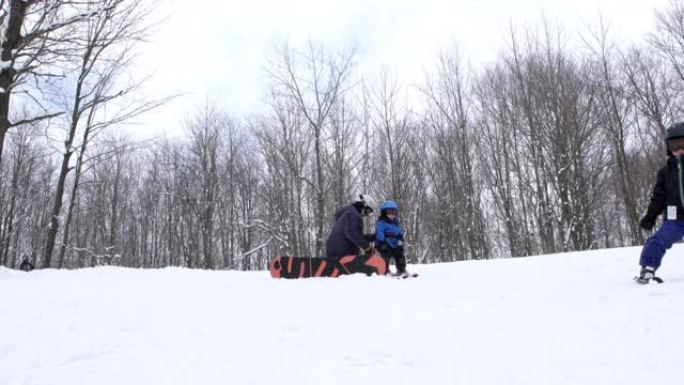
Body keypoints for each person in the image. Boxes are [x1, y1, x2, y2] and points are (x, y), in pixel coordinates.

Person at [637, 122, 684, 283]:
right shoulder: (665, 173)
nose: (679, 150)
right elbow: (658, 198)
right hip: (676, 219)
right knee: (658, 240)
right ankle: (648, 268)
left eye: (682, 144)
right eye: (674, 145)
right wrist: (650, 217)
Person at [325, 194, 376, 258]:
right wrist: (367, 247)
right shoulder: (353, 214)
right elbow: (352, 234)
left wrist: (373, 237)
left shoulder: (347, 213)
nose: (366, 214)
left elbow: (357, 236)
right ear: (363, 205)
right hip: (344, 250)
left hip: (333, 248)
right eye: (368, 211)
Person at [375, 200, 408, 277]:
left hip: (394, 243)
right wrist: (382, 242)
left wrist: (400, 237)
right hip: (383, 243)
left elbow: (398, 231)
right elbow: (379, 232)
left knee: (400, 253)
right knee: (386, 253)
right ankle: (384, 270)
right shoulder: (381, 222)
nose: (392, 214)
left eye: (394, 212)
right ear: (384, 212)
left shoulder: (395, 222)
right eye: (389, 212)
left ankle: (401, 270)